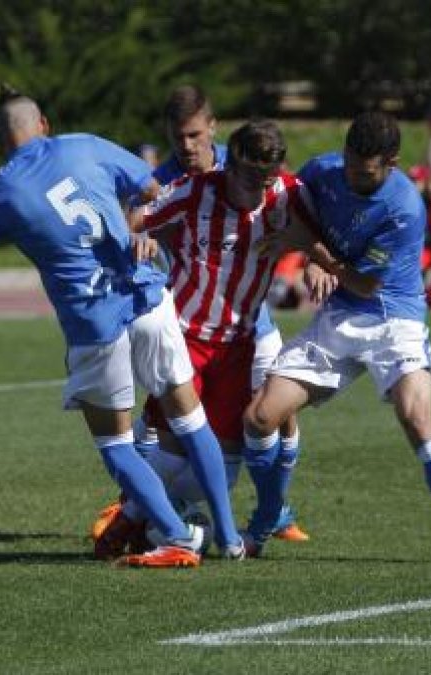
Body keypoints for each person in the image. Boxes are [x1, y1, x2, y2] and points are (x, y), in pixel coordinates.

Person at [0, 85, 243, 568]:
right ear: (44, 125)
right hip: (147, 295)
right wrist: (127, 224)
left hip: (94, 320)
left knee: (115, 444)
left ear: (0, 140)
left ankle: (176, 535)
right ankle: (230, 537)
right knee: (190, 419)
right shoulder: (85, 144)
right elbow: (152, 191)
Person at [243, 111, 431, 567]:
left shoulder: (404, 208)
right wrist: (313, 256)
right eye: (349, 166)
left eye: (364, 174)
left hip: (392, 319)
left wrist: (315, 253)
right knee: (260, 417)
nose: (352, 178)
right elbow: (298, 206)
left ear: (391, 164)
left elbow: (365, 284)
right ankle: (268, 516)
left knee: (416, 416)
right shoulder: (324, 170)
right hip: (339, 316)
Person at [99, 86, 307, 550]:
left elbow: (315, 220)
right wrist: (139, 241)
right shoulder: (177, 183)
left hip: (252, 329)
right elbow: (134, 221)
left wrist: (317, 258)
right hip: (189, 327)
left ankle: (271, 510)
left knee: (274, 417)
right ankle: (144, 511)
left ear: (213, 129)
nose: (187, 145)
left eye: (194, 135)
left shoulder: (269, 179)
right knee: (172, 437)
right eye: (178, 137)